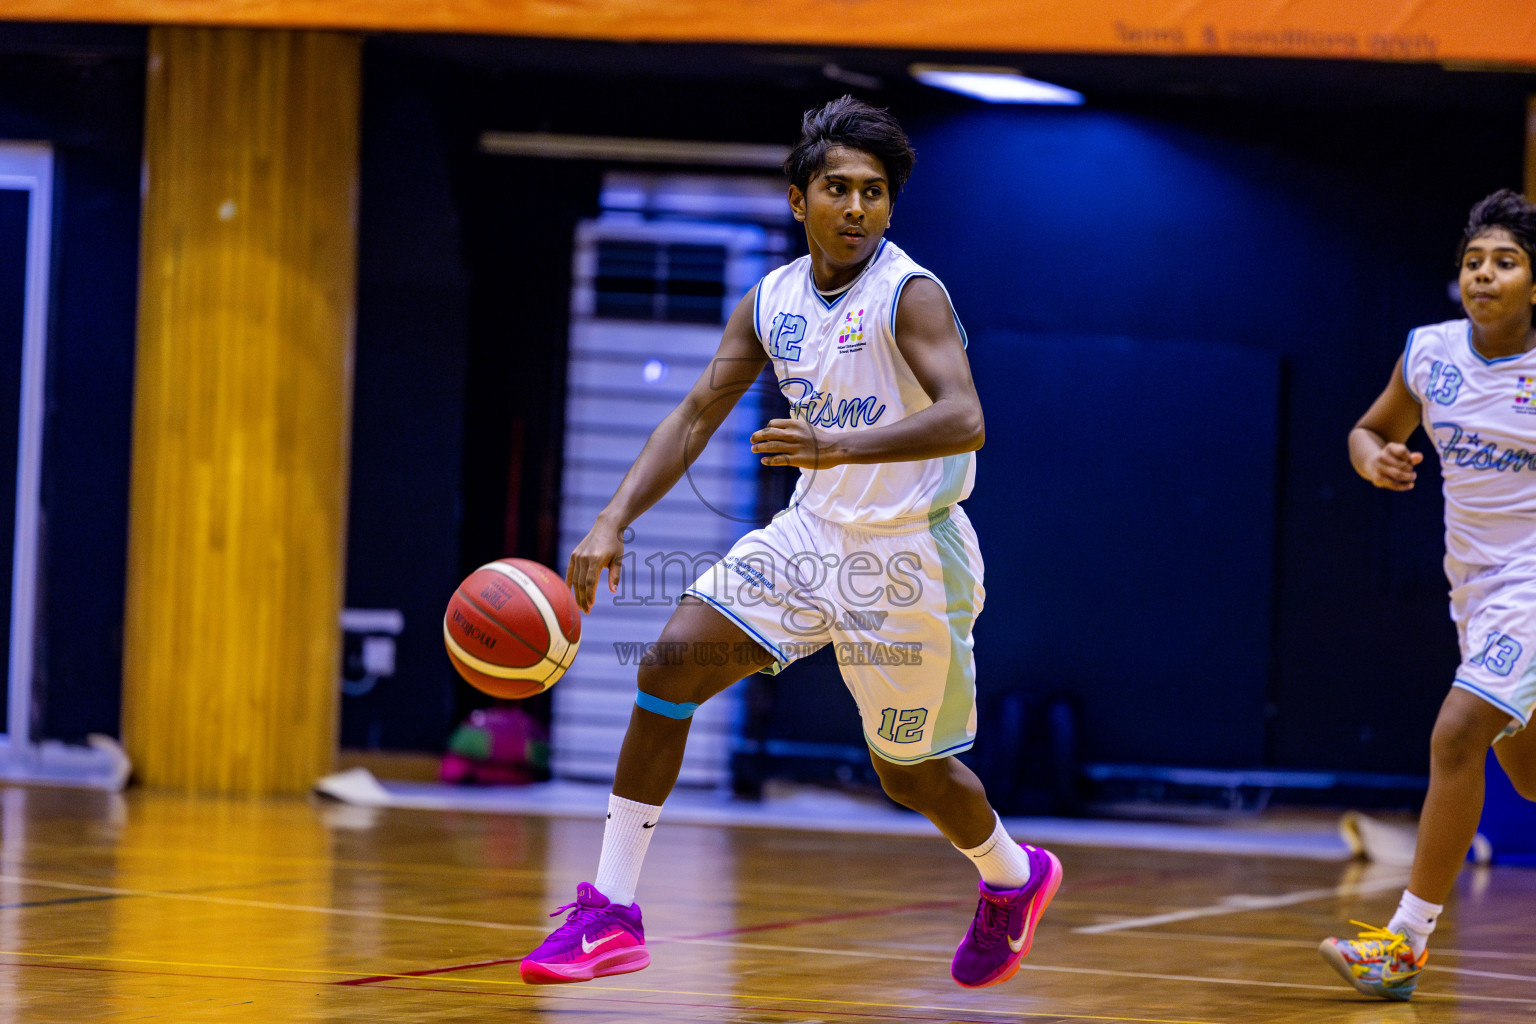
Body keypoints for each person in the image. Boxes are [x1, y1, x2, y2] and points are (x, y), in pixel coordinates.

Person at [518, 95, 1062, 989]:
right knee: (668, 667)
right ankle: (610, 912)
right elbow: (697, 414)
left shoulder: (909, 294)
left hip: (909, 554)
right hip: (810, 535)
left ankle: (1013, 874)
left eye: (875, 192)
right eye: (837, 188)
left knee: (909, 774)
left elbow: (967, 418)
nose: (856, 208)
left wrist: (837, 445)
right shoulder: (772, 300)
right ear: (797, 199)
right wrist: (614, 520)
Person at [1320, 188, 1536, 1001]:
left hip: (1533, 583)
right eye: (1474, 262)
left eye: (1506, 263)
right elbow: (1371, 428)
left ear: (1534, 285)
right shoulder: (1431, 353)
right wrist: (1371, 456)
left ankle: (1403, 945)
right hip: (1474, 589)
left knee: (1455, 735)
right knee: (1528, 774)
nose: (1485, 275)